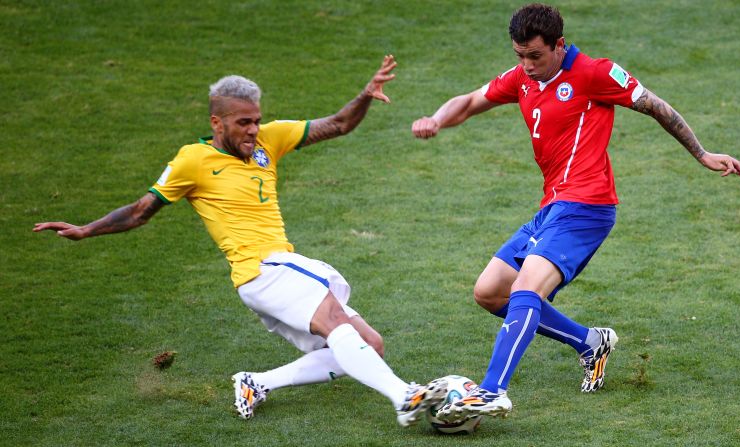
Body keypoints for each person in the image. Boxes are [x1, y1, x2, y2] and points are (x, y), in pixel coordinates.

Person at [34, 55, 447, 426]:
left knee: (370, 344)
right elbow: (142, 210)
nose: (253, 130)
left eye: (256, 120)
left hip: (277, 270)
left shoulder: (269, 138)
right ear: (217, 123)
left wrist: (364, 94)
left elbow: (337, 124)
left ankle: (256, 382)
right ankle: (403, 397)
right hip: (261, 270)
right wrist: (88, 228)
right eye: (243, 123)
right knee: (338, 325)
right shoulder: (191, 161)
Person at [412, 4, 740, 423]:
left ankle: (492, 391)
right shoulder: (522, 79)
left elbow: (657, 106)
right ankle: (590, 342)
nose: (527, 65)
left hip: (588, 206)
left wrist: (701, 153)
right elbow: (470, 101)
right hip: (552, 206)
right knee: (490, 292)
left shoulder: (595, 73)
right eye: (519, 55)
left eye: (535, 55)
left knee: (526, 289)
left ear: (559, 45)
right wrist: (436, 120)